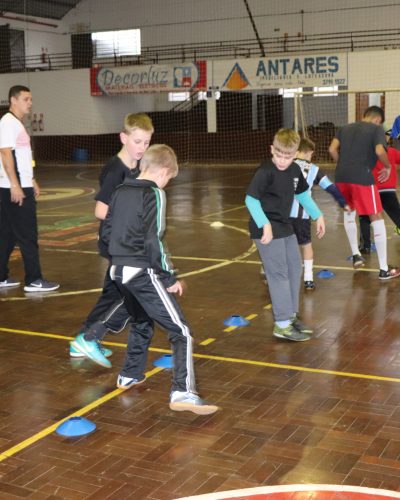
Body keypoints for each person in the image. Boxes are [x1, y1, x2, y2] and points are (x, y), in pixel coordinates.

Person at [101, 144, 219, 415]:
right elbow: (154, 238)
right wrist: (168, 277)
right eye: (169, 179)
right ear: (164, 171)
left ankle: (130, 374)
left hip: (118, 271)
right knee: (182, 332)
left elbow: (106, 232)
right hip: (142, 272)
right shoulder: (153, 193)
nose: (167, 184)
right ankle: (183, 392)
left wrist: (119, 259)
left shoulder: (120, 191)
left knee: (142, 321)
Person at [70, 113, 155, 381]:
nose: (142, 148)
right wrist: (126, 223)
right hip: (115, 242)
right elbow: (100, 210)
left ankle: (85, 339)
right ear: (123, 138)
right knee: (122, 293)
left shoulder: (134, 167)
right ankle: (86, 338)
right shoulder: (116, 169)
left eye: (146, 143)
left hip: (124, 241)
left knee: (112, 293)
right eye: (137, 142)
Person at [245, 129, 325, 342]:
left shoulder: (295, 171)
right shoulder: (265, 171)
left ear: (295, 154)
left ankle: (290, 316)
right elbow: (251, 200)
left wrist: (318, 215)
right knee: (278, 274)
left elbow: (302, 195)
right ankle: (281, 324)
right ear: (272, 149)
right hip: (265, 229)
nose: (282, 160)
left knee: (293, 268)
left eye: (287, 156)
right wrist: (265, 225)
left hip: (284, 225)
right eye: (278, 155)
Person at [329, 105, 400, 280]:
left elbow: (332, 150)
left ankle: (356, 255)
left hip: (341, 176)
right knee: (376, 217)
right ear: (377, 120)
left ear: (364, 115)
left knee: (349, 213)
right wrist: (388, 166)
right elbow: (379, 150)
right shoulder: (376, 129)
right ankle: (384, 270)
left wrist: (344, 165)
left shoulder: (344, 128)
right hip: (362, 177)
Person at [0, 85, 59, 292]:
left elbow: (21, 156)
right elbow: (6, 155)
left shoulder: (16, 124)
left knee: (7, 234)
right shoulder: (8, 123)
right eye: (26, 99)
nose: (30, 103)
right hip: (14, 188)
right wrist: (16, 185)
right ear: (13, 100)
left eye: (31, 99)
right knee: (28, 234)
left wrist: (31, 179)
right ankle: (34, 279)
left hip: (17, 185)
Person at [290, 138, 348, 291]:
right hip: (302, 215)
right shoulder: (314, 169)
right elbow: (330, 188)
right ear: (310, 152)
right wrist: (343, 202)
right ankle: (308, 279)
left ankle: (281, 274)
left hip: (284, 214)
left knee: (283, 244)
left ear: (296, 151)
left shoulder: (287, 164)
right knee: (306, 245)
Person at [359, 129, 400, 253]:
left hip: (372, 191)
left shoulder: (367, 154)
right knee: (398, 216)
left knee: (365, 218)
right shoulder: (392, 152)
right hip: (388, 191)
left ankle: (365, 246)